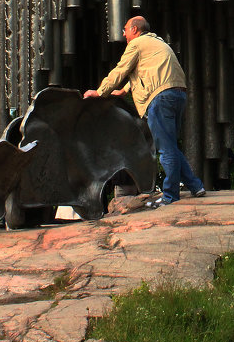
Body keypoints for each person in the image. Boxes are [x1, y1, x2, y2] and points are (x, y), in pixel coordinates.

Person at [84, 15, 205, 207]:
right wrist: (124, 91)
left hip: (160, 97)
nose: (123, 34)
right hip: (177, 95)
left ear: (134, 29)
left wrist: (99, 92)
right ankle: (195, 185)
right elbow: (147, 71)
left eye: (125, 30)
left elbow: (120, 70)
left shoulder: (137, 44)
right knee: (171, 145)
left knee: (165, 150)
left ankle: (170, 196)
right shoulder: (157, 42)